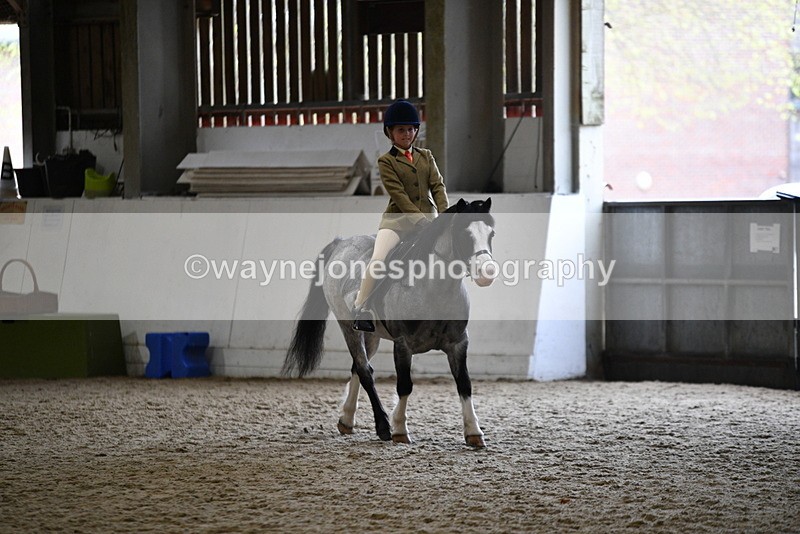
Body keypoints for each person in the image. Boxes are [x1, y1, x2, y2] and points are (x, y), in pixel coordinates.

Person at [352, 99, 449, 332]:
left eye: (410, 129)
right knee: (379, 259)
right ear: (390, 133)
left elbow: (437, 186)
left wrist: (445, 216)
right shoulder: (386, 161)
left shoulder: (426, 156)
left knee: (449, 254)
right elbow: (399, 195)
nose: (407, 134)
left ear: (416, 131)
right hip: (397, 221)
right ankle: (361, 308)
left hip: (429, 219)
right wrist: (421, 221)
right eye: (401, 130)